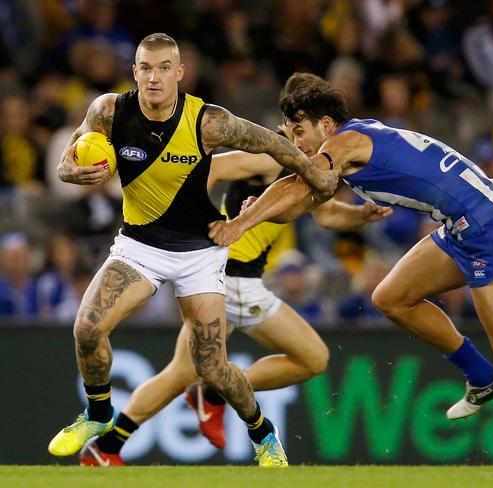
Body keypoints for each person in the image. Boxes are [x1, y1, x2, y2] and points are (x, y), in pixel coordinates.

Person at [210, 72, 493, 465]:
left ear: (325, 125)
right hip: (465, 225)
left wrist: (241, 222)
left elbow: (302, 183)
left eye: (298, 131)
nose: (295, 143)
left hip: (486, 228)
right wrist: (258, 211)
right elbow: (302, 201)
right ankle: (481, 377)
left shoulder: (342, 144)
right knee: (390, 297)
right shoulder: (349, 147)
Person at [47, 33, 337, 468]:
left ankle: (262, 434)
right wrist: (76, 173)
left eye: (164, 67)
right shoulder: (108, 110)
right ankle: (98, 415)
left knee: (213, 368)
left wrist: (319, 178)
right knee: (87, 328)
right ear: (135, 72)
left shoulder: (207, 122)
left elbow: (273, 143)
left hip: (199, 254)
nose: (154, 77)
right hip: (139, 245)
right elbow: (65, 162)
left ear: (179, 73)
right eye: (146, 67)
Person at [77, 140, 391, 466]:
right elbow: (208, 168)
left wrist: (361, 215)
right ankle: (212, 391)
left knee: (179, 373)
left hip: (227, 277)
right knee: (313, 358)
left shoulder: (309, 169)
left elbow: (327, 214)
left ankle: (109, 446)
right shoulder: (270, 159)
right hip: (234, 281)